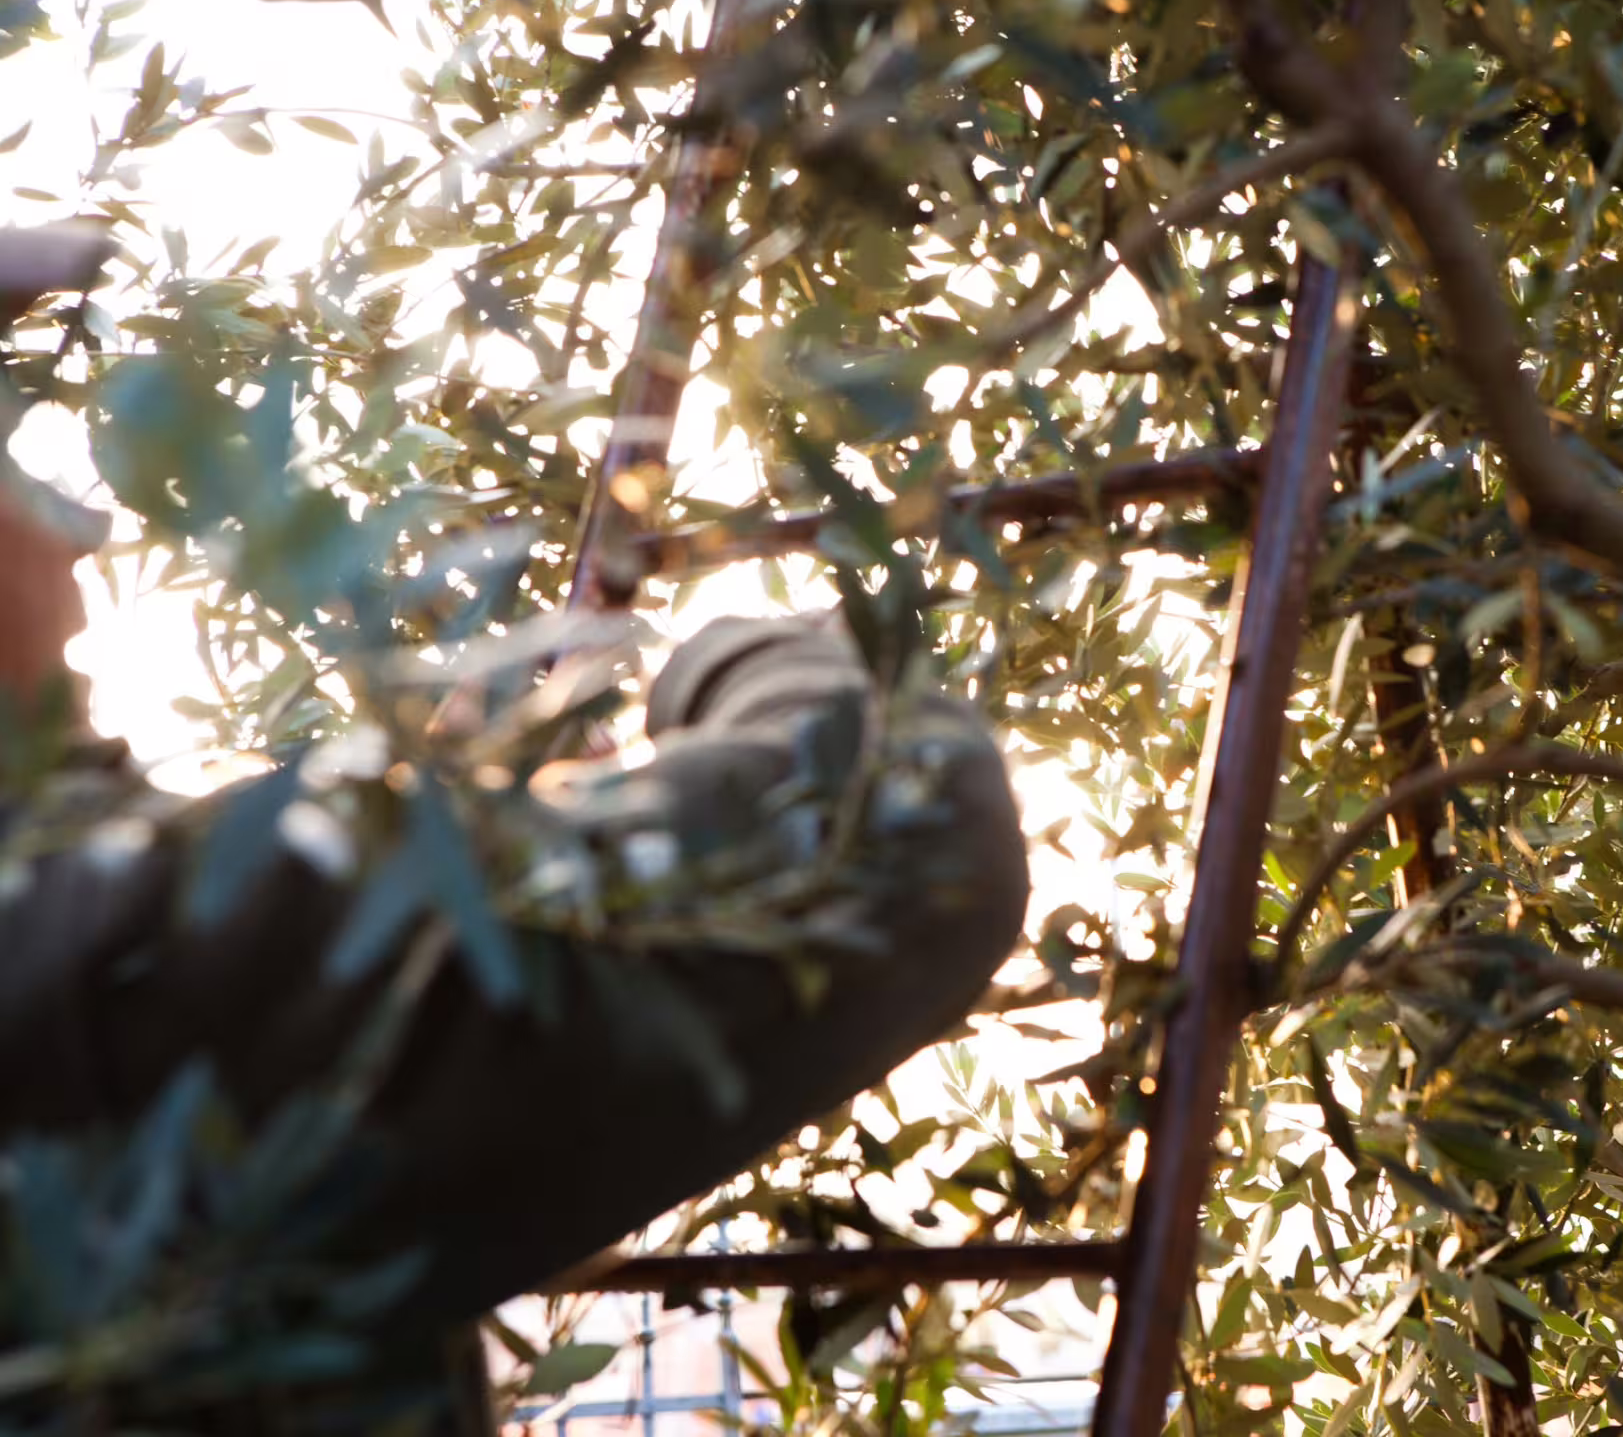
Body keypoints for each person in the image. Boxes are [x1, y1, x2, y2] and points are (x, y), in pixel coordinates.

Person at [0, 466, 1030, 1427]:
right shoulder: (146, 949)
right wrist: (741, 658)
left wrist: (440, 852)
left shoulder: (88, 938)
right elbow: (902, 818)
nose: (78, 531)